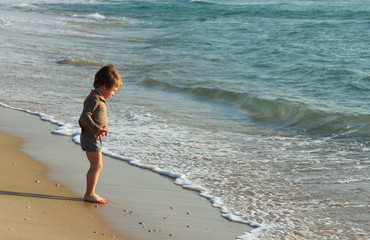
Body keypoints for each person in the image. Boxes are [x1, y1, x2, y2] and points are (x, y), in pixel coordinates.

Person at [79, 65, 122, 204]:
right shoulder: (93, 99)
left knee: (97, 165)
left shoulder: (97, 97)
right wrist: (96, 128)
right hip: (91, 137)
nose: (114, 94)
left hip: (93, 137)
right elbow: (84, 116)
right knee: (96, 166)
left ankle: (90, 193)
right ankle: (89, 194)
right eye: (113, 90)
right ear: (104, 87)